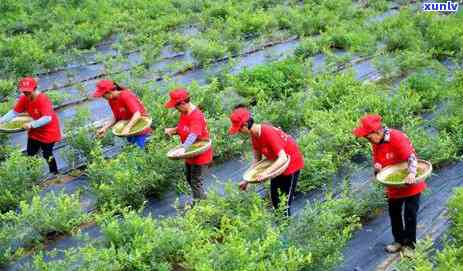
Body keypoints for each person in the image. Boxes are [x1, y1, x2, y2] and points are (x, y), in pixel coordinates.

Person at [353, 114, 426, 256]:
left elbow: (411, 158)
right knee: (394, 213)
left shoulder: (397, 137)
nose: (368, 140)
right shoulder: (376, 143)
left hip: (410, 181)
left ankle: (410, 245)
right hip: (393, 183)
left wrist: (411, 174)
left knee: (410, 214)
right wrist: (378, 168)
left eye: (368, 136)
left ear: (378, 132)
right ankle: (398, 241)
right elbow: (378, 162)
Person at [229, 105, 304, 216]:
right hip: (275, 165)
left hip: (291, 165)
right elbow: (256, 159)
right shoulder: (254, 136)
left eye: (239, 128)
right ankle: (280, 222)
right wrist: (246, 180)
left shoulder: (267, 132)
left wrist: (266, 173)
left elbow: (283, 158)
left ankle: (287, 225)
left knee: (284, 203)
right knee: (275, 199)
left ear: (245, 125)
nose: (239, 132)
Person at [0, 77, 61, 175]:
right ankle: (31, 174)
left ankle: (55, 174)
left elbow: (47, 118)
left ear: (35, 88)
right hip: (34, 132)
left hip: (48, 133)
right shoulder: (24, 98)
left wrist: (31, 124)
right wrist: (1, 120)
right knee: (31, 154)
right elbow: (15, 112)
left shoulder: (42, 99)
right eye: (24, 92)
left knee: (47, 154)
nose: (26, 94)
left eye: (28, 91)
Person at [164, 88, 212, 201]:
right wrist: (173, 130)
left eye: (176, 106)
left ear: (183, 103)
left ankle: (201, 207)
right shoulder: (184, 113)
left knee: (196, 182)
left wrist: (183, 148)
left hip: (200, 154)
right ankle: (203, 200)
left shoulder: (196, 116)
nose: (175, 109)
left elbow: (194, 134)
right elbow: (185, 128)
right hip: (190, 153)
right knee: (190, 179)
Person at [92, 79, 151, 149]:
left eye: (103, 95)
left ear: (109, 92)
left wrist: (127, 128)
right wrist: (104, 128)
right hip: (129, 130)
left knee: (141, 151)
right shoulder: (111, 100)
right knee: (134, 150)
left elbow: (137, 114)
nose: (103, 97)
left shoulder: (126, 96)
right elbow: (116, 116)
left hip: (141, 130)